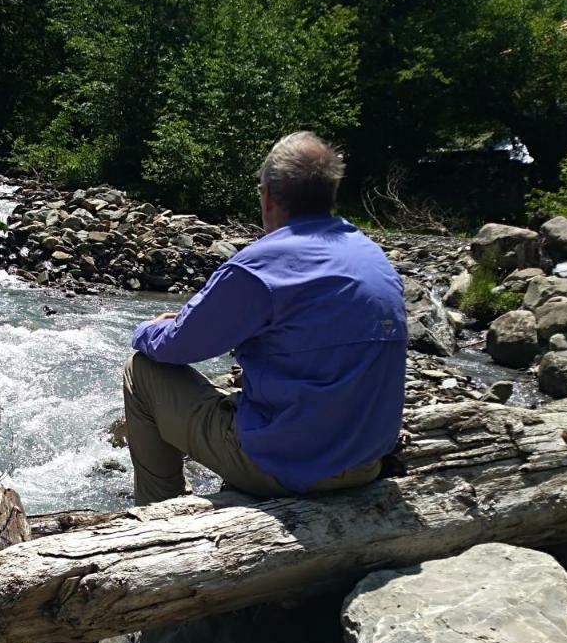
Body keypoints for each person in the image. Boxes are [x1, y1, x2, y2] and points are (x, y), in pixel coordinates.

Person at [123, 131, 407, 506]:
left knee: (141, 370)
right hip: (364, 463)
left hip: (285, 469)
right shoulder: (372, 256)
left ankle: (159, 511)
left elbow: (177, 346)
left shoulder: (261, 266)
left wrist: (147, 329)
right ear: (330, 195)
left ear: (268, 195)